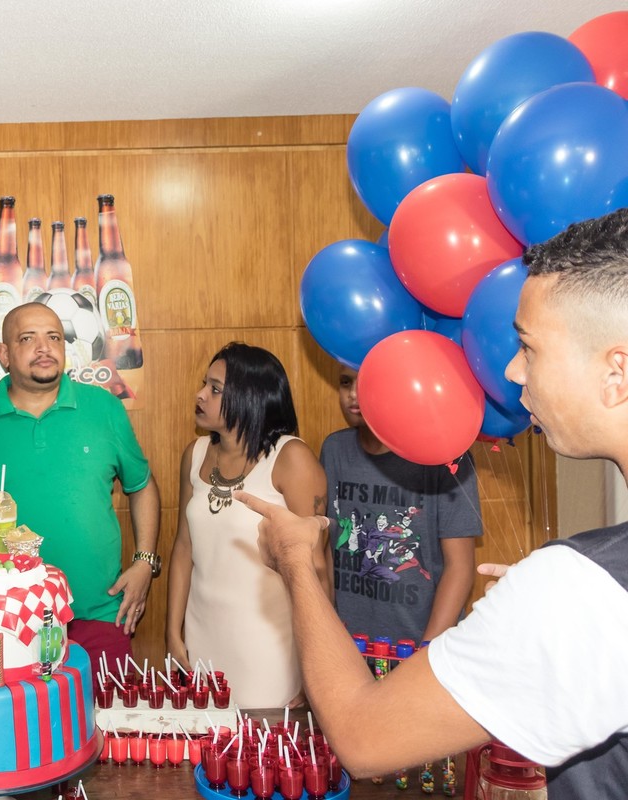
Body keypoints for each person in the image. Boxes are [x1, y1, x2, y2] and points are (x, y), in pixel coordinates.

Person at [239, 208, 628, 796]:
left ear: (616, 373)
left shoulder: (587, 590)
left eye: (529, 346)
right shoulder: (586, 591)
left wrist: (295, 560)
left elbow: (364, 738)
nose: (511, 370)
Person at [0, 302, 160, 667]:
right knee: (17, 724)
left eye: (54, 337)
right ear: (4, 354)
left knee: (103, 721)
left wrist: (144, 562)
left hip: (99, 614)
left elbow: (141, 484)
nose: (44, 347)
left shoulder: (104, 409)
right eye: (28, 338)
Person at [165, 342, 329, 708]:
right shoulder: (193, 455)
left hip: (269, 645)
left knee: (262, 755)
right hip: (202, 636)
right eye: (205, 384)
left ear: (251, 397)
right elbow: (183, 548)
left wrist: (318, 666)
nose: (200, 394)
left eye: (215, 389)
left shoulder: (292, 459)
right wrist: (173, 633)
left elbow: (319, 567)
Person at [322, 365, 481, 645]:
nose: (354, 394)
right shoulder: (335, 450)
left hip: (419, 645)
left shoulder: (445, 456)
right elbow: (327, 549)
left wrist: (426, 651)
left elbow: (461, 567)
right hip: (349, 647)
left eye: (368, 382)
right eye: (346, 382)